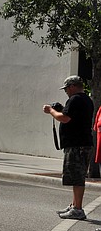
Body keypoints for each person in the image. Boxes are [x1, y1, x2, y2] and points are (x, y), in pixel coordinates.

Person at [44, 75, 94, 220]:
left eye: (66, 88)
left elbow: (65, 118)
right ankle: (74, 205)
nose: (66, 91)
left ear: (72, 86)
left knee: (77, 178)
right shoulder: (86, 100)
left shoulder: (75, 99)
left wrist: (51, 111)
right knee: (75, 177)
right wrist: (62, 109)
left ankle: (77, 209)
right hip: (82, 144)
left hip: (77, 145)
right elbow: (71, 115)